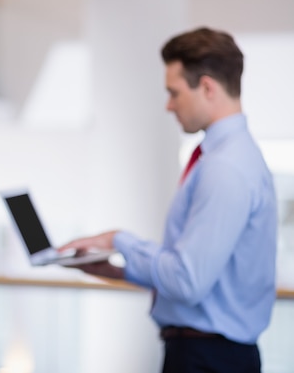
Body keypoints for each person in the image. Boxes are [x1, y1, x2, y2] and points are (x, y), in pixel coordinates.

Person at [60, 27, 277, 373]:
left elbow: (187, 281)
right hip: (209, 355)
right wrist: (118, 270)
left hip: (207, 360)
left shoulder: (226, 167)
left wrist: (118, 240)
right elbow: (198, 276)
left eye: (174, 92)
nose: (168, 105)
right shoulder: (227, 158)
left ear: (206, 87)